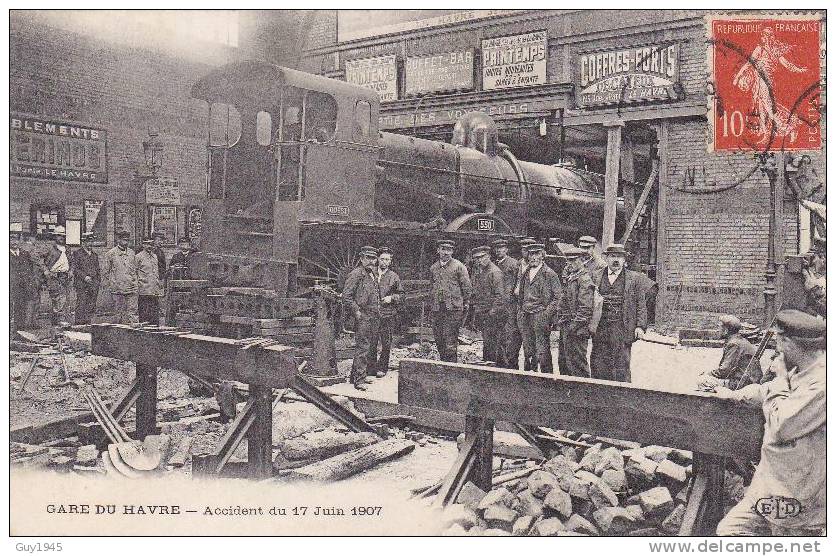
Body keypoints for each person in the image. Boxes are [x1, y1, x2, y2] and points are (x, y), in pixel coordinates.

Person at [714, 309, 825, 536]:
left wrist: (780, 380)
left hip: (797, 497)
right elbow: (763, 391)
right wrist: (733, 395)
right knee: (729, 532)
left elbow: (782, 425)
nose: (778, 351)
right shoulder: (800, 369)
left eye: (779, 343)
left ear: (790, 342)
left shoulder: (822, 385)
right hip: (768, 489)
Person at [590, 244, 648, 383]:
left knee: (621, 366)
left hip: (622, 328)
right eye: (612, 256)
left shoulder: (634, 279)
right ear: (606, 258)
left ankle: (622, 399)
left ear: (624, 260)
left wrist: (640, 326)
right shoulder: (595, 276)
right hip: (601, 328)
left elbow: (641, 304)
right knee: (599, 364)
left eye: (619, 257)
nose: (616, 260)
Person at [518, 243, 561, 373]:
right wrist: (520, 311)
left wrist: (546, 314)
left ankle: (546, 378)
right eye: (531, 254)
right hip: (526, 314)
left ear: (543, 255)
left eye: (537, 254)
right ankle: (530, 375)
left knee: (542, 350)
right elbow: (521, 293)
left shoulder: (549, 274)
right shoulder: (526, 272)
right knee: (528, 348)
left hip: (540, 315)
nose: (534, 257)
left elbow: (557, 297)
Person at [342, 246, 381, 391]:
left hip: (373, 315)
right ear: (361, 259)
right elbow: (346, 297)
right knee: (363, 347)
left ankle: (355, 376)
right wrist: (356, 311)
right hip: (363, 315)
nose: (371, 261)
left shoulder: (372, 274)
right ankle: (359, 381)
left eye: (373, 258)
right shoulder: (356, 274)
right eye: (368, 258)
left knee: (369, 347)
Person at [429, 239, 472, 363]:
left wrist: (465, 304)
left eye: (449, 250)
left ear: (452, 251)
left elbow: (467, 287)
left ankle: (451, 368)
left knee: (450, 340)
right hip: (438, 308)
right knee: (439, 339)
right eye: (443, 249)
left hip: (453, 309)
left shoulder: (459, 267)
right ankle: (444, 365)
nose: (446, 252)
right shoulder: (434, 268)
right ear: (438, 250)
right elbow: (432, 287)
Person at [556, 246, 595, 377]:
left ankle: (583, 394)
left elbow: (585, 309)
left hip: (577, 329)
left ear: (582, 261)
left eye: (573, 261)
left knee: (578, 363)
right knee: (565, 362)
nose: (570, 264)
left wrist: (573, 327)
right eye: (568, 261)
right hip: (567, 325)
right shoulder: (571, 277)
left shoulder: (584, 280)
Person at [697, 315, 763, 391]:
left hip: (741, 384)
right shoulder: (739, 340)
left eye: (719, 327)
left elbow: (725, 370)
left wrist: (708, 374)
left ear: (726, 330)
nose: (718, 330)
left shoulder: (734, 344)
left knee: (702, 380)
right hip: (748, 381)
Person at [470, 245, 507, 366]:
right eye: (477, 258)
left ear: (489, 257)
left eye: (482, 257)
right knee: (488, 341)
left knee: (494, 342)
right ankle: (489, 365)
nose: (479, 260)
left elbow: (500, 296)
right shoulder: (481, 271)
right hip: (484, 312)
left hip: (493, 314)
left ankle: (498, 368)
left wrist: (492, 313)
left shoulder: (494, 272)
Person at [371, 246, 404, 378]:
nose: (384, 262)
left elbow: (401, 295)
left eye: (387, 260)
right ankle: (371, 367)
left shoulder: (393, 277)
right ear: (378, 259)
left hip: (387, 314)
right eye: (382, 259)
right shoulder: (371, 273)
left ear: (390, 261)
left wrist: (391, 298)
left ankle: (382, 368)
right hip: (372, 313)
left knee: (386, 342)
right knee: (371, 341)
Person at [492, 239, 520, 368]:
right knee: (498, 334)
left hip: (509, 304)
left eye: (502, 248)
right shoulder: (494, 265)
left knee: (509, 335)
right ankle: (500, 362)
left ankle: (510, 364)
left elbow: (517, 284)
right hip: (498, 304)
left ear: (506, 250)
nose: (499, 250)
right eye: (497, 248)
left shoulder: (513, 264)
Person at [510, 237, 537, 369]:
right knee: (514, 337)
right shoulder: (518, 264)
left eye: (528, 250)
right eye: (523, 249)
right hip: (517, 304)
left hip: (530, 307)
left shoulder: (537, 266)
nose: (525, 252)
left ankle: (529, 368)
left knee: (529, 341)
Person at [102, 230, 139, 324]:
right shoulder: (111, 253)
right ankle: (117, 333)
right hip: (117, 288)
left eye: (127, 240)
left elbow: (135, 269)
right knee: (118, 312)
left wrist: (135, 283)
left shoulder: (131, 253)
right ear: (118, 240)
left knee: (133, 311)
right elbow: (106, 271)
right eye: (124, 240)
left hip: (131, 287)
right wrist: (111, 284)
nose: (126, 242)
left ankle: (133, 333)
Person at [10, 227, 38, 333]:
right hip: (10, 287)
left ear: (20, 240)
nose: (14, 242)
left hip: (22, 288)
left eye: (16, 239)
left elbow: (29, 272)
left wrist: (30, 286)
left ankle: (19, 333)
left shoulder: (24, 253)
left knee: (20, 311)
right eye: (11, 239)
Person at [42, 226, 71, 325]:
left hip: (65, 276)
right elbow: (38, 258)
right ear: (55, 236)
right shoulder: (51, 248)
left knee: (64, 299)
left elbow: (72, 262)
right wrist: (45, 270)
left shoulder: (67, 248)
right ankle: (59, 321)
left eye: (63, 236)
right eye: (59, 235)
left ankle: (58, 321)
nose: (61, 238)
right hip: (54, 276)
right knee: (58, 298)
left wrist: (71, 271)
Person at [70, 232, 101, 325]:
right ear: (83, 242)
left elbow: (97, 269)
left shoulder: (94, 255)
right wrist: (84, 277)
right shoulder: (77, 253)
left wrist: (98, 281)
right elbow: (75, 268)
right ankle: (79, 324)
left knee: (91, 304)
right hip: (82, 284)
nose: (90, 243)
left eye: (91, 241)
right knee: (81, 303)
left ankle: (88, 323)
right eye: (88, 241)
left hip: (93, 284)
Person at [20, 232, 45, 328]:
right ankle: (31, 323)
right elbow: (38, 262)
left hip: (26, 279)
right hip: (34, 279)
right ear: (31, 238)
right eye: (35, 238)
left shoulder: (22, 248)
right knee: (34, 300)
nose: (36, 241)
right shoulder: (31, 249)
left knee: (27, 300)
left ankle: (27, 322)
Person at [136, 239, 164, 324]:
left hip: (154, 289)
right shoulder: (138, 257)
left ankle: (155, 330)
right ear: (143, 245)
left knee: (154, 314)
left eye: (151, 244)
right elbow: (134, 272)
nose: (149, 246)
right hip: (144, 290)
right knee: (145, 313)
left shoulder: (155, 256)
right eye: (147, 244)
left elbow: (156, 272)